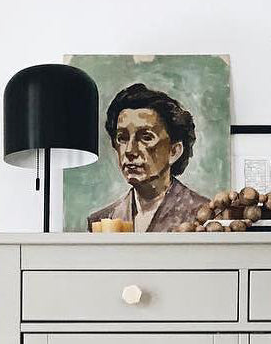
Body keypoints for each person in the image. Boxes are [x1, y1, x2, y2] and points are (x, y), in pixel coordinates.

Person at [87, 83, 208, 232]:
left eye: (146, 137)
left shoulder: (204, 216)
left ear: (174, 151)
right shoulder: (100, 221)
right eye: (122, 138)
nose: (130, 150)